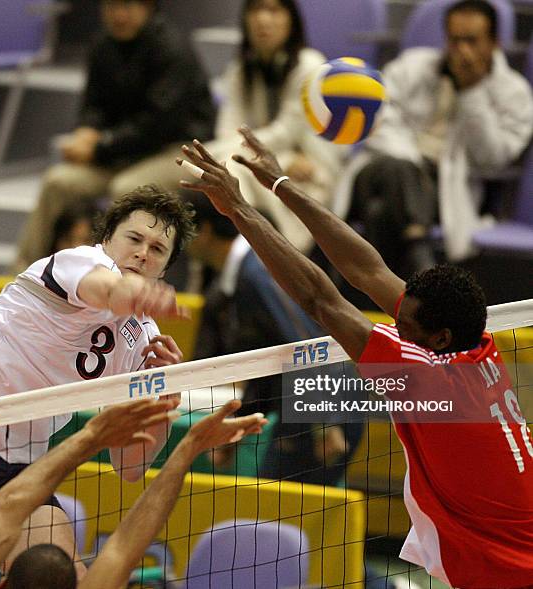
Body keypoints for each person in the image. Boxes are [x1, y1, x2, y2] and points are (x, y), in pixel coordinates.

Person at [177, 127, 533, 588]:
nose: (393, 328)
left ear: (439, 338)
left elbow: (319, 300)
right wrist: (281, 185)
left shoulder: (429, 383)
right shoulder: (475, 345)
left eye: (405, 328)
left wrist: (241, 209)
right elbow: (368, 270)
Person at [0, 185, 196, 573]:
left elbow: (131, 467)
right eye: (134, 239)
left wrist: (161, 399)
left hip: (16, 468)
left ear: (166, 268)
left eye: (157, 249)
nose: (142, 253)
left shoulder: (146, 339)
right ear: (106, 241)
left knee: (62, 573)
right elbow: (113, 290)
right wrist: (142, 294)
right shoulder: (78, 262)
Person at [0, 398, 267, 589]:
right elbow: (126, 544)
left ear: (2, 580)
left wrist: (90, 438)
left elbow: (8, 506)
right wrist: (189, 448)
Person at [331, 0, 533, 276]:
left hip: (441, 193)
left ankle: (355, 290)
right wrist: (412, 164)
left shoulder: (514, 93)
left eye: (472, 41)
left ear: (495, 43)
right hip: (381, 170)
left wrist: (472, 92)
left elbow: (493, 159)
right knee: (398, 171)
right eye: (454, 40)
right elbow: (378, 117)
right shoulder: (412, 66)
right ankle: (423, 270)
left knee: (380, 211)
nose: (462, 50)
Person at [14, 0, 215, 270]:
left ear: (148, 7)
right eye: (112, 5)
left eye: (128, 6)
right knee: (57, 182)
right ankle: (23, 277)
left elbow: (156, 126)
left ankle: (109, 281)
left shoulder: (173, 49)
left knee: (127, 190)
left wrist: (99, 147)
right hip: (119, 152)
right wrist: (87, 130)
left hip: (175, 150)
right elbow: (94, 104)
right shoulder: (102, 45)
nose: (119, 15)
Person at [185, 191, 361, 487]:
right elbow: (269, 362)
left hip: (323, 404)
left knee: (282, 514)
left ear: (203, 231)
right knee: (274, 511)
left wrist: (324, 423)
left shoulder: (258, 271)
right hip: (307, 404)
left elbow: (305, 344)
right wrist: (236, 431)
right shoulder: (238, 276)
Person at [208, 0, 345, 253]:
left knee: (226, 164)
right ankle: (250, 253)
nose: (263, 19)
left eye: (273, 10)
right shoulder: (241, 68)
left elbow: (286, 132)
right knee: (226, 164)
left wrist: (214, 150)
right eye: (256, 10)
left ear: (291, 20)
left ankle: (255, 252)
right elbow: (228, 130)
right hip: (270, 162)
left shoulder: (309, 64)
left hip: (310, 170)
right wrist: (284, 157)